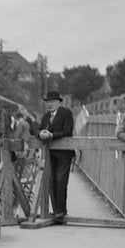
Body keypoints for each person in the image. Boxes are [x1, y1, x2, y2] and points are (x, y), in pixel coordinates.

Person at [37, 90, 75, 223]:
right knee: (52, 180)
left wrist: (52, 135)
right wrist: (41, 133)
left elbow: (67, 131)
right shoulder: (46, 116)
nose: (50, 104)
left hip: (64, 153)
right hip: (50, 153)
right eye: (48, 102)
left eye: (52, 102)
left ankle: (61, 211)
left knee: (61, 180)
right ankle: (57, 210)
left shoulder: (66, 113)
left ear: (59, 102)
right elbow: (39, 129)